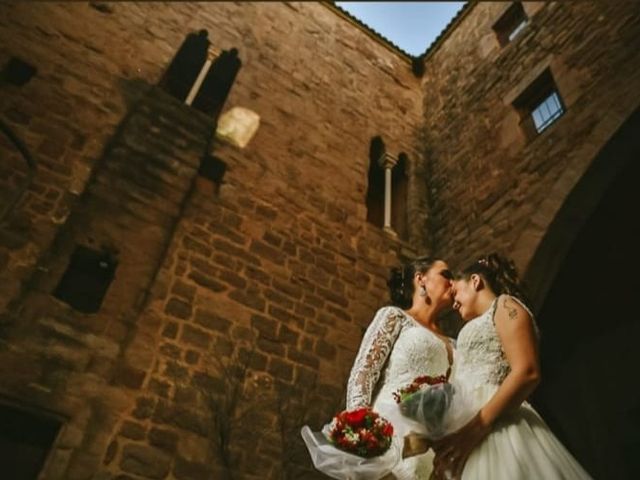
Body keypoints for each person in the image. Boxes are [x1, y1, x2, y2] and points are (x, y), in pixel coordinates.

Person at [432, 253, 592, 480]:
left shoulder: (505, 305)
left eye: (456, 291)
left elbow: (527, 371)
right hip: (466, 424)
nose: (453, 301)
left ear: (475, 281)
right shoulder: (479, 321)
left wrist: (476, 427)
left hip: (496, 426)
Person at [345, 256, 455, 480]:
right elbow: (363, 375)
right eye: (446, 274)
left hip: (432, 449)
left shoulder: (454, 343)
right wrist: (364, 443)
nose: (453, 282)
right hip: (389, 437)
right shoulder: (394, 317)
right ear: (421, 279)